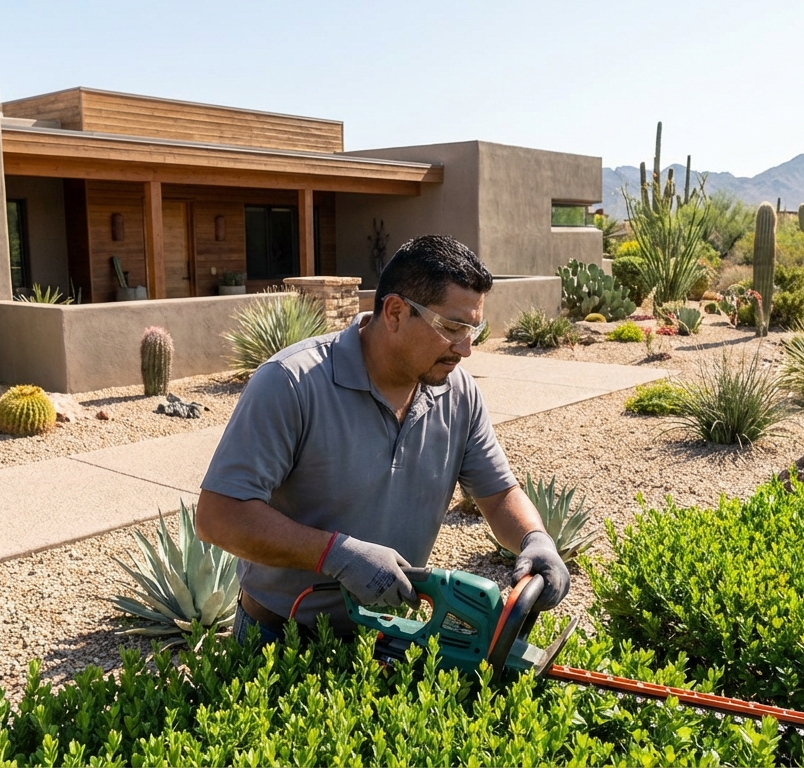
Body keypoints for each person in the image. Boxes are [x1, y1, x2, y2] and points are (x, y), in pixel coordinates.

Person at [195, 235, 569, 643]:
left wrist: (535, 539)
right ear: (394, 312)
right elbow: (219, 516)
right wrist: (335, 554)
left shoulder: (458, 392)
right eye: (451, 327)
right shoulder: (292, 383)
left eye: (473, 330)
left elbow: (497, 495)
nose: (465, 349)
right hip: (281, 636)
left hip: (390, 633)